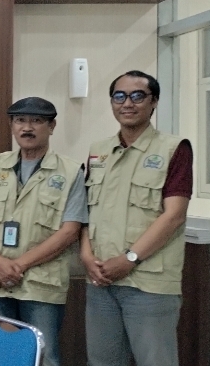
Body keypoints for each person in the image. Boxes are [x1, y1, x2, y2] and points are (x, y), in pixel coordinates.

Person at [81, 71, 192, 366]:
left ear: (153, 102)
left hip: (148, 283)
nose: (127, 103)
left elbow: (174, 215)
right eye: (119, 96)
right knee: (101, 362)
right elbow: (86, 212)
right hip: (101, 280)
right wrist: (87, 256)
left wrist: (129, 259)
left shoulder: (173, 148)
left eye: (137, 96)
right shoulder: (98, 151)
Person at [0, 97, 87, 366]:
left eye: (36, 121)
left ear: (52, 126)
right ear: (12, 125)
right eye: (20, 121)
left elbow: (70, 230)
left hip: (41, 283)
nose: (27, 128)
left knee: (44, 357)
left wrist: (17, 266)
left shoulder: (70, 171)